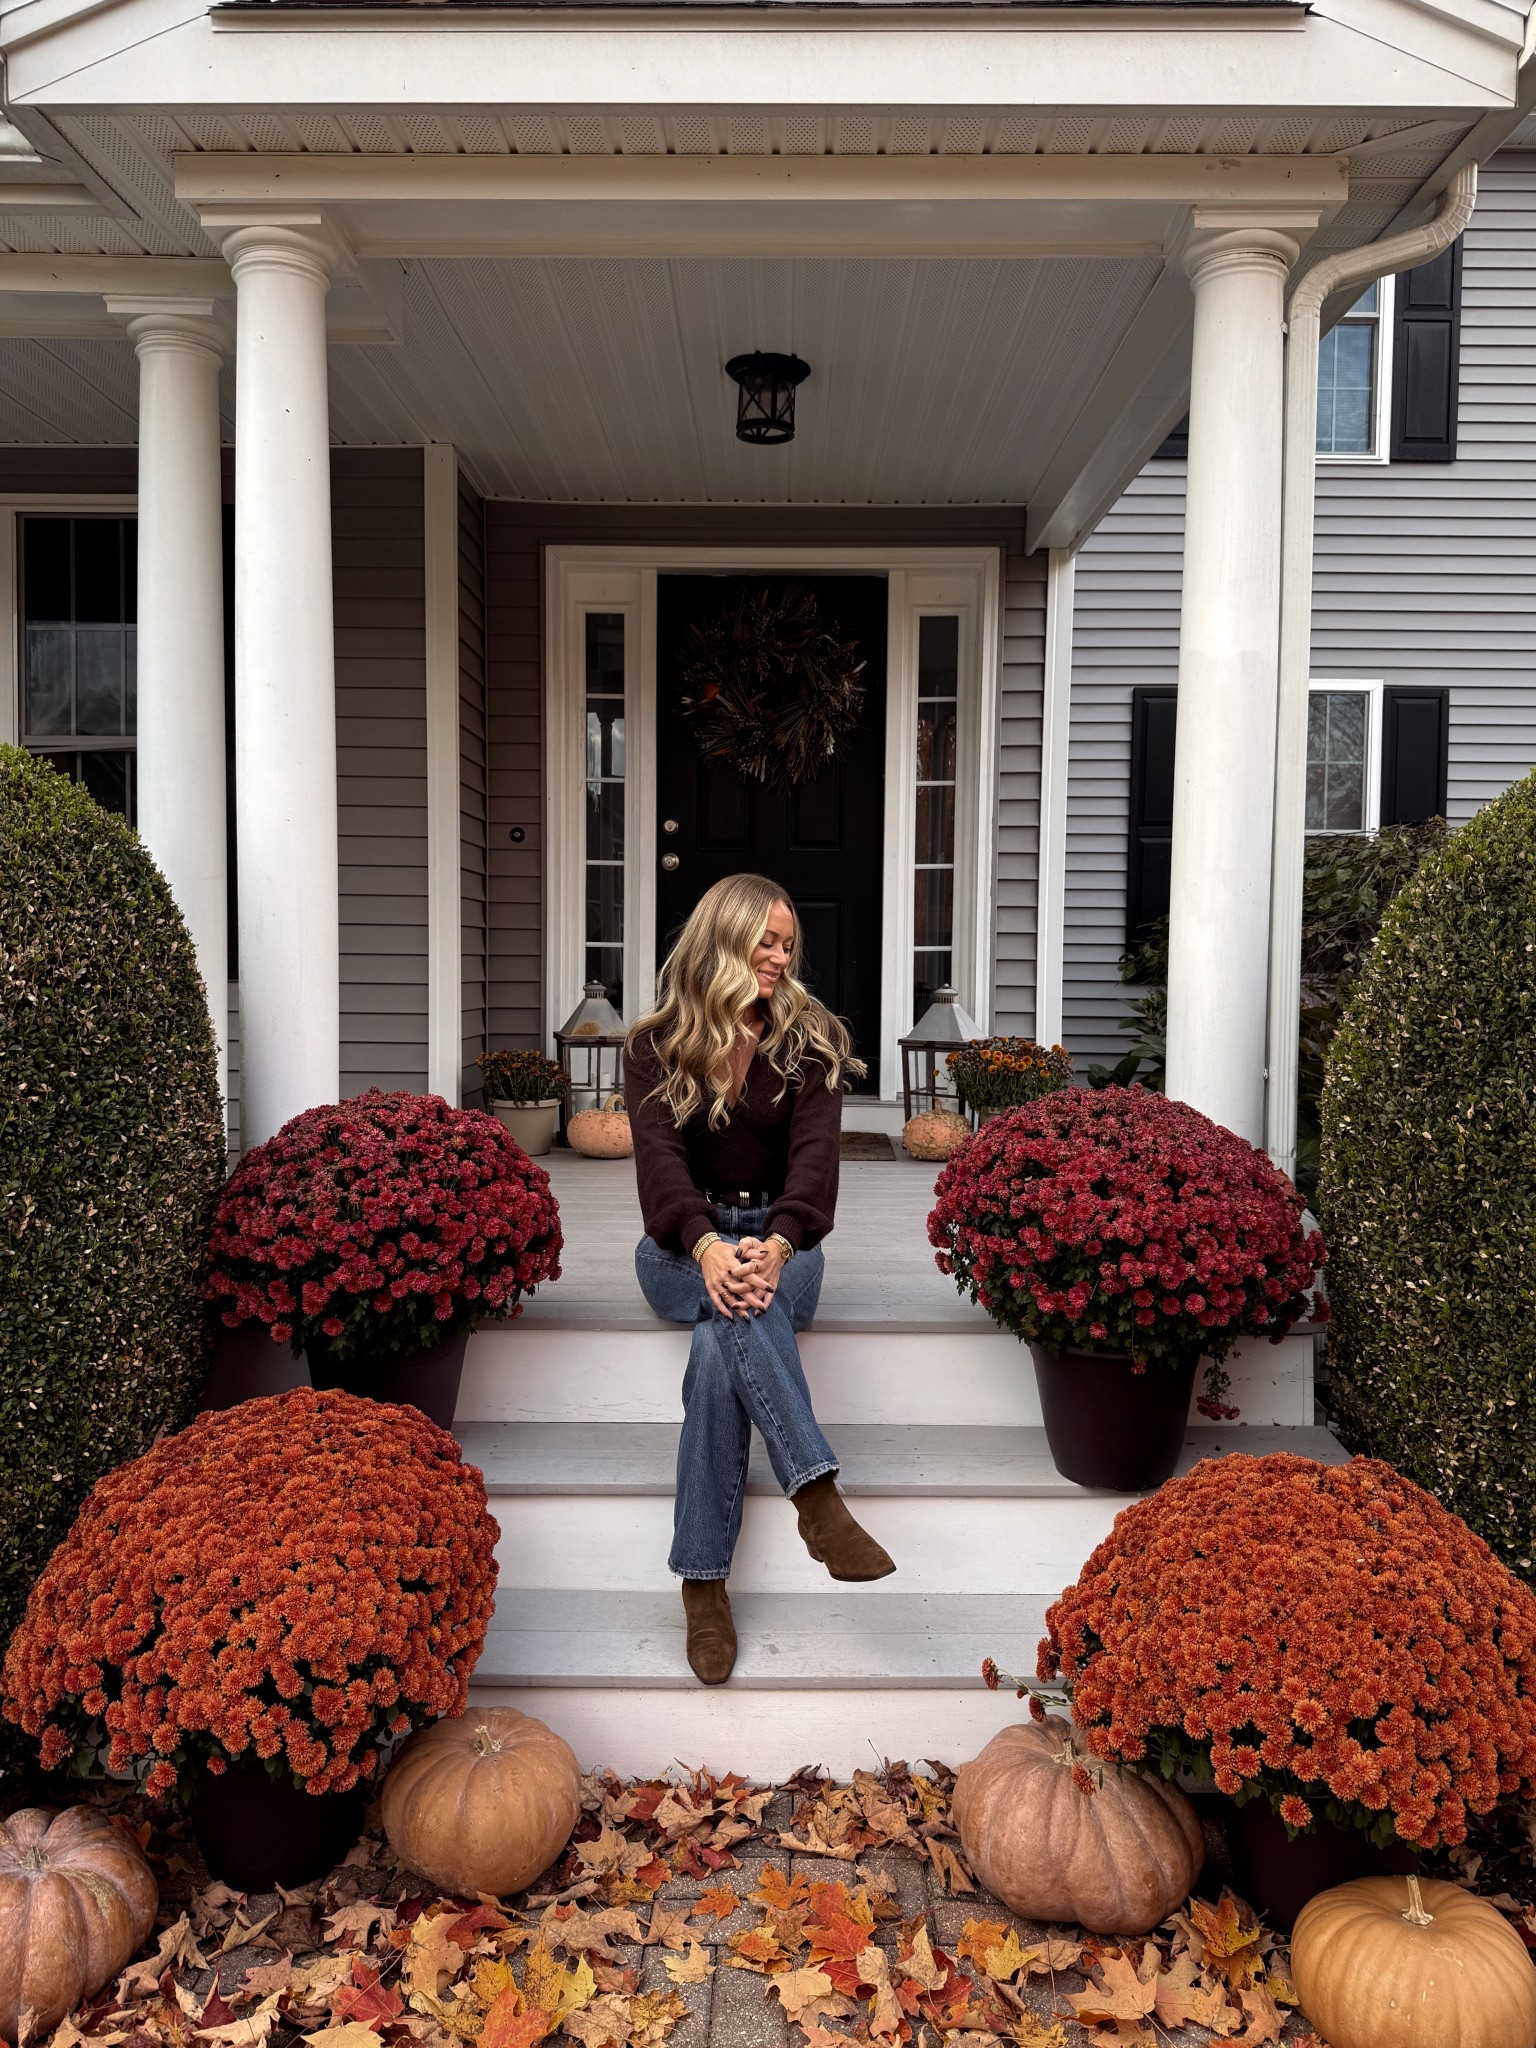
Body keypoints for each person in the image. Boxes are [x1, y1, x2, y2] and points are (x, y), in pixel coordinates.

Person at [624, 872, 896, 1685]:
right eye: (765, 941)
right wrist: (709, 1247)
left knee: (721, 1340)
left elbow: (815, 1167)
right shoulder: (654, 1045)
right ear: (723, 939)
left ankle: (702, 1584)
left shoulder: (809, 1042)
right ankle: (818, 1501)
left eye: (787, 944)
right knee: (725, 1306)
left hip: (787, 1246)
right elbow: (660, 1171)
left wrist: (773, 1247)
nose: (779, 957)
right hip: (681, 1247)